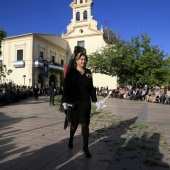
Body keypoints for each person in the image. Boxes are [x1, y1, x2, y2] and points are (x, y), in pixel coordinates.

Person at [62, 52, 97, 158]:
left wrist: (95, 100)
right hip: (75, 102)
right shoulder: (72, 72)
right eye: (81, 59)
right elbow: (66, 87)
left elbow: (91, 87)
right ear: (76, 60)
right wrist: (65, 101)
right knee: (74, 125)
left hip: (86, 103)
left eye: (85, 59)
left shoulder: (88, 72)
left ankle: (86, 147)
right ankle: (71, 139)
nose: (83, 61)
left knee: (85, 125)